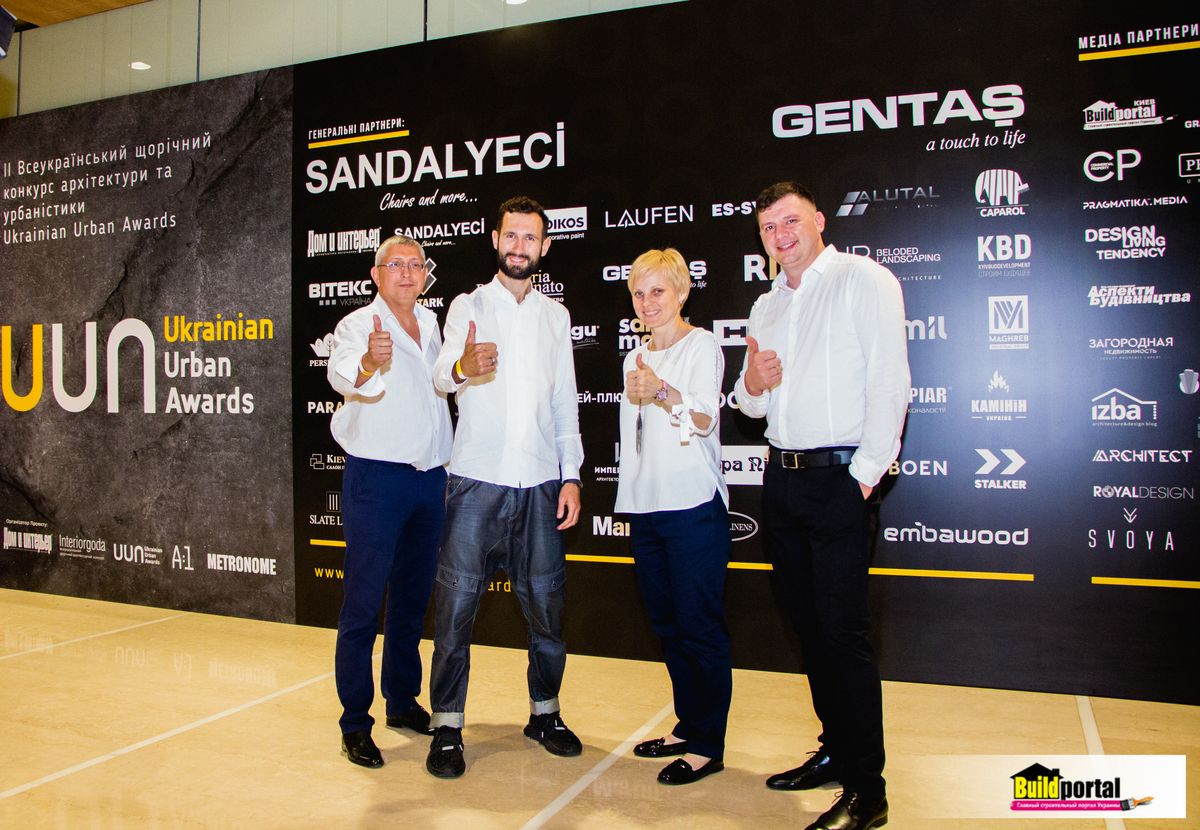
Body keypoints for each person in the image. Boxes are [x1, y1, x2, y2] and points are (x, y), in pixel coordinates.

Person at [733, 182, 909, 830]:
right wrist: (753, 383)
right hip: (782, 482)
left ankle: (868, 790)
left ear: (819, 222)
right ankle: (835, 750)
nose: (780, 236)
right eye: (768, 228)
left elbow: (890, 380)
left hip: (839, 480)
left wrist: (863, 477)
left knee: (842, 636)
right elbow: (751, 404)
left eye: (790, 222)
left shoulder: (865, 280)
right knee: (808, 631)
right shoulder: (766, 304)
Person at [425, 196, 584, 778]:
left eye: (530, 238)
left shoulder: (555, 317)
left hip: (540, 481)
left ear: (544, 246)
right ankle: (447, 726)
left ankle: (545, 713)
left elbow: (565, 403)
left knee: (547, 610)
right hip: (475, 481)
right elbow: (441, 375)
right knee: (456, 611)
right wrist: (463, 367)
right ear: (496, 240)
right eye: (511, 236)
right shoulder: (467, 305)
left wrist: (571, 474)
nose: (519, 247)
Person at [326, 234, 452, 768]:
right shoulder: (358, 324)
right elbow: (341, 373)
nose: (406, 272)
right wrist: (367, 363)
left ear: (425, 275)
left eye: (415, 264)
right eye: (394, 264)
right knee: (362, 605)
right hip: (377, 479)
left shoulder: (433, 325)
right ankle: (355, 723)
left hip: (430, 480)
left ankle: (401, 702)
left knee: (410, 603)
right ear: (376, 275)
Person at [615, 248, 732, 786]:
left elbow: (704, 418)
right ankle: (689, 726)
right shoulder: (632, 357)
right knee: (667, 626)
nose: (648, 302)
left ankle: (708, 745)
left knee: (699, 626)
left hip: (692, 507)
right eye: (639, 293)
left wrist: (661, 390)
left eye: (658, 291)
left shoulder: (701, 345)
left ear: (682, 292)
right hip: (646, 509)